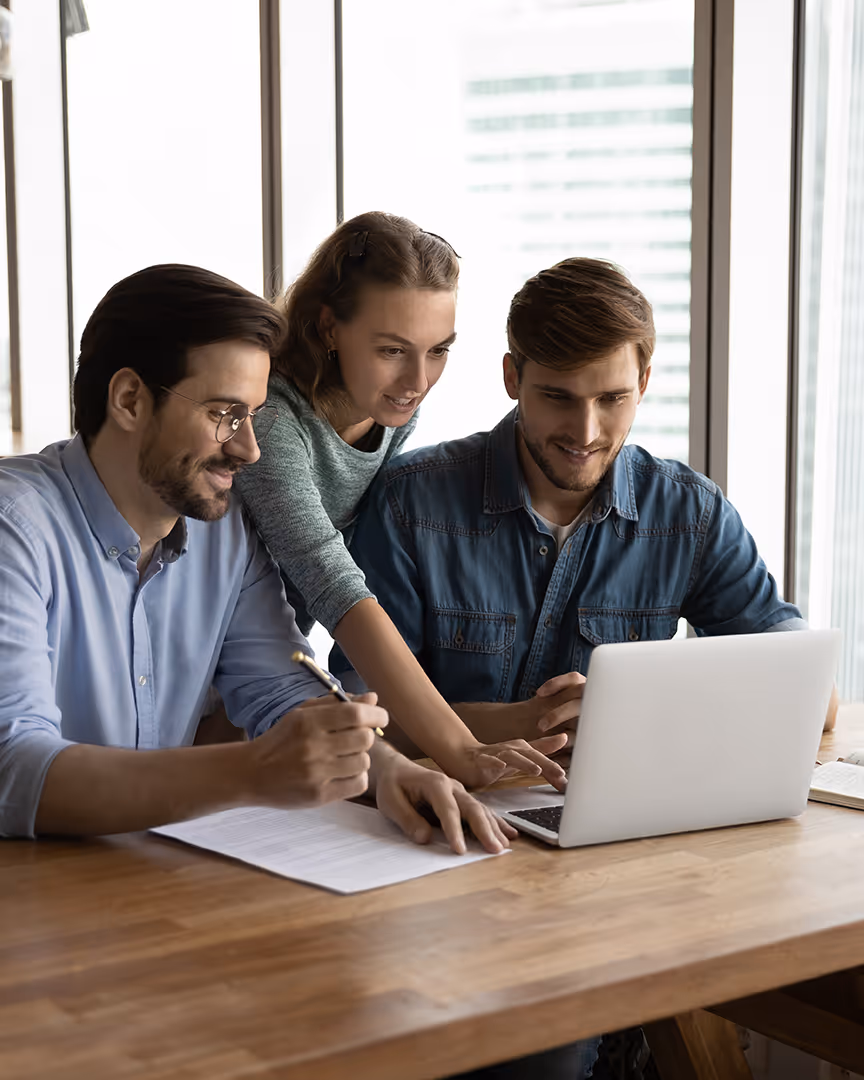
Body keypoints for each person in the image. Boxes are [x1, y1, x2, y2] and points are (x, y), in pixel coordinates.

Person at [331, 255, 835, 1079]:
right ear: (511, 378)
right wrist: (519, 723)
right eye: (557, 396)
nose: (587, 431)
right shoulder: (413, 501)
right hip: (450, 859)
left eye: (613, 399)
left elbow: (805, 693)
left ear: (645, 379)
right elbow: (354, 718)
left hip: (625, 866)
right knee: (550, 1051)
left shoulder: (688, 515)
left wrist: (640, 714)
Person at [0, 263, 515, 855]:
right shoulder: (15, 529)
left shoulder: (224, 535)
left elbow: (282, 693)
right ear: (129, 399)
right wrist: (250, 771)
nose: (248, 449)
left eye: (254, 415)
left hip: (143, 887)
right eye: (224, 415)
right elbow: (14, 766)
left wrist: (392, 771)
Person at [235, 211, 567, 790]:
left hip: (270, 678)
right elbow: (332, 580)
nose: (418, 379)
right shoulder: (272, 421)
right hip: (212, 672)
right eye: (392, 350)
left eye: (439, 350)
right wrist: (459, 748)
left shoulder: (391, 414)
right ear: (328, 328)